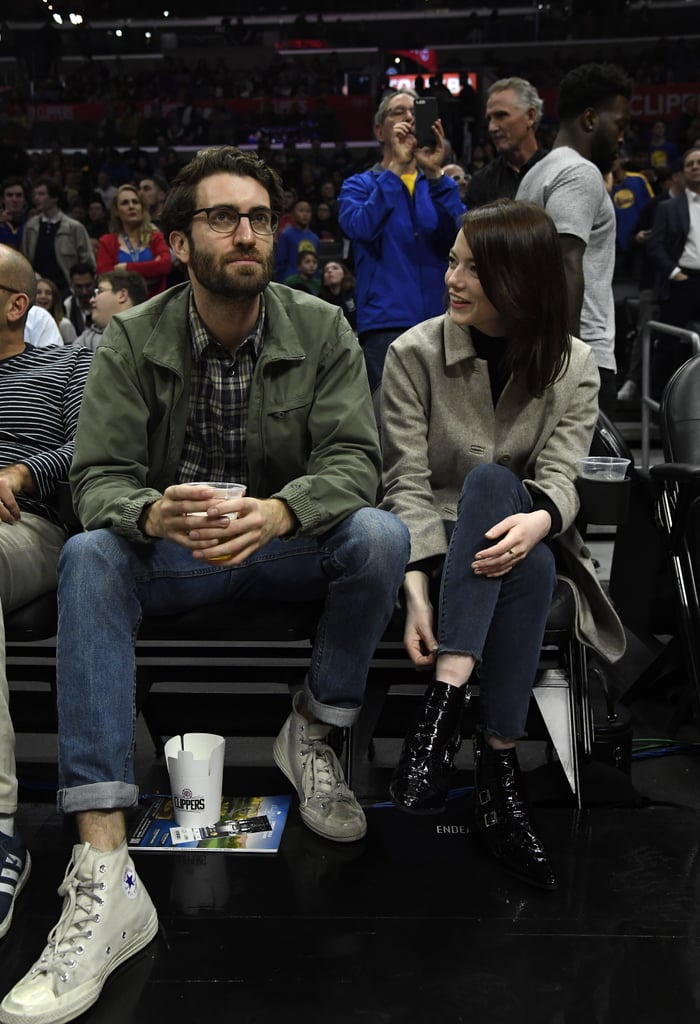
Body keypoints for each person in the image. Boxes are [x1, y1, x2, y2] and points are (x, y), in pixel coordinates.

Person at [0, 146, 409, 1024]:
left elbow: (355, 464)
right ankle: (106, 869)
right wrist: (151, 516)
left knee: (380, 535)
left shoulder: (323, 326)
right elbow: (100, 476)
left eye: (259, 217)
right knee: (88, 555)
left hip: (281, 545)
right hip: (174, 554)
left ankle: (317, 732)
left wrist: (281, 513)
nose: (247, 233)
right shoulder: (130, 338)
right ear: (180, 242)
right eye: (224, 218)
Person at [380, 200, 625, 890]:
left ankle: (442, 706)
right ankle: (498, 769)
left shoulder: (572, 364)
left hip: (526, 528)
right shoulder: (413, 353)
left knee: (505, 499)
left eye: (473, 268)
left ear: (519, 280)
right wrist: (416, 589)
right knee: (501, 509)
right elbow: (403, 481)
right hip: (439, 541)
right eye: (452, 261)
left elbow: (561, 474)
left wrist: (539, 520)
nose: (452, 278)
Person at [0, 244, 92, 943]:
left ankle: (0, 831)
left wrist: (19, 475)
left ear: (16, 304)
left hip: (25, 525)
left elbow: (90, 447)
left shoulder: (64, 363)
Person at [517, 63, 632, 418]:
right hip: (582, 358)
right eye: (620, 124)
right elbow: (567, 263)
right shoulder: (579, 172)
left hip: (542, 350)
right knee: (589, 473)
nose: (622, 137)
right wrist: (569, 366)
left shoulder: (536, 173)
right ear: (590, 119)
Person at [338, 88, 465, 392]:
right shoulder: (358, 185)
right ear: (380, 131)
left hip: (443, 321)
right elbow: (361, 227)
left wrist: (435, 173)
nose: (409, 117)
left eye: (414, 111)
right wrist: (395, 168)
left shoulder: (436, 184)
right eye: (398, 111)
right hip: (386, 326)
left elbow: (464, 237)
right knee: (389, 423)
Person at [647, 145, 700, 399]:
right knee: (668, 347)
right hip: (682, 280)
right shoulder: (669, 207)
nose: (695, 167)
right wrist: (674, 273)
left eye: (699, 162)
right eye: (690, 164)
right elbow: (654, 245)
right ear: (682, 172)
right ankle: (661, 404)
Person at [465, 77, 545, 208]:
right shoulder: (481, 182)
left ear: (530, 116)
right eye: (489, 119)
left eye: (501, 115)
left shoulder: (559, 172)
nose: (492, 128)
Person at [96, 183, 172, 298]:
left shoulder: (155, 237)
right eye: (125, 203)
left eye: (135, 202)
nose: (131, 206)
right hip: (123, 308)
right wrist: (150, 273)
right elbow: (104, 277)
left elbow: (164, 266)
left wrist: (124, 268)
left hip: (156, 306)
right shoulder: (107, 242)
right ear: (116, 211)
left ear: (141, 207)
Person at [21, 178, 95, 296]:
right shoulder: (31, 226)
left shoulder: (74, 227)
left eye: (41, 194)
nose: (36, 198)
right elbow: (24, 258)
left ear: (54, 198)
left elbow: (86, 260)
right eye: (35, 194)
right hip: (38, 289)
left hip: (66, 288)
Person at [74, 269, 149, 352]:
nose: (91, 300)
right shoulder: (84, 342)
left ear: (122, 295)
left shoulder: (151, 336)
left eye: (99, 291)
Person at [273, 197, 319, 283]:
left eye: (307, 211)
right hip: (290, 281)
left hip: (311, 283)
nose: (305, 214)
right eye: (301, 211)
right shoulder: (286, 235)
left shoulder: (315, 238)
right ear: (293, 214)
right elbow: (280, 263)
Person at [34, 277, 77, 344]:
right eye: (38, 292)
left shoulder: (64, 324)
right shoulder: (27, 324)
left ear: (54, 299)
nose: (43, 296)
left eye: (48, 293)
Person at [319, 260, 357, 331]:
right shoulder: (320, 301)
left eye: (335, 268)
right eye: (326, 270)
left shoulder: (355, 293)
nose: (330, 271)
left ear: (344, 274)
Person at [63, 262, 96, 337]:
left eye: (88, 286)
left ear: (94, 282)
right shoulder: (66, 305)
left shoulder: (104, 301)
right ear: (71, 285)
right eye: (79, 287)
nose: (84, 292)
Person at [0, 179, 29, 252]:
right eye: (9, 195)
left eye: (18, 195)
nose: (14, 199)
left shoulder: (32, 225)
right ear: (3, 199)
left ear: (24, 200)